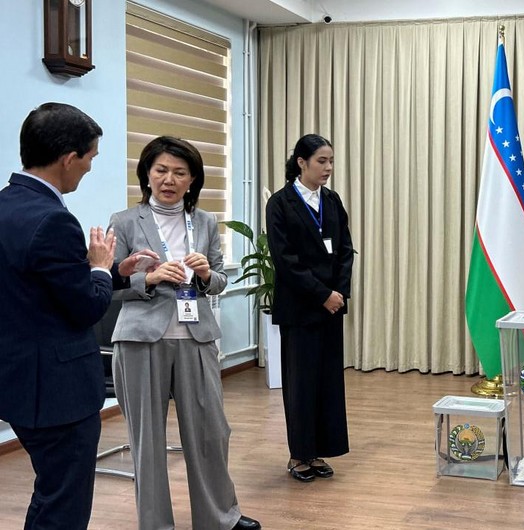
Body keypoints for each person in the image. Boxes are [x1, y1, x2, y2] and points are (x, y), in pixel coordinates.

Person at [0, 102, 157, 530]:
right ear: (70, 158)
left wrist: (113, 272)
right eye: (90, 158)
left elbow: (39, 290)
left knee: (51, 493)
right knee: (64, 505)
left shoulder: (6, 206)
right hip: (58, 391)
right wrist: (100, 267)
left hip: (17, 382)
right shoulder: (52, 220)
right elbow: (85, 307)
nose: (89, 168)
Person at [108, 136, 260, 530]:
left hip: (196, 336)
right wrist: (150, 277)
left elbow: (221, 279)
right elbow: (108, 285)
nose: (169, 179)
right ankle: (156, 523)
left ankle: (220, 518)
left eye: (179, 172)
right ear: (146, 174)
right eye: (161, 170)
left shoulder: (206, 222)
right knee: (148, 439)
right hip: (141, 338)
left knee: (211, 432)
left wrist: (208, 275)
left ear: (192, 179)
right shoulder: (124, 221)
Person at [266, 134, 354, 482]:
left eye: (331, 161)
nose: (328, 168)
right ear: (301, 162)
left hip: (330, 307)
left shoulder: (332, 201)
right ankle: (299, 455)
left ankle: (319, 451)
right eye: (321, 161)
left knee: (327, 382)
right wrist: (322, 294)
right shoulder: (281, 203)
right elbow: (285, 260)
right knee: (301, 383)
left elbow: (346, 250)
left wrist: (339, 293)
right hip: (301, 307)